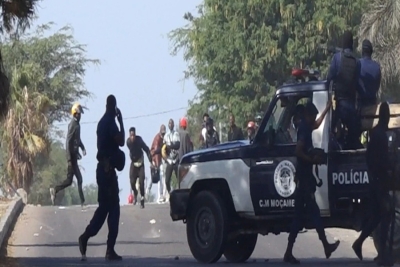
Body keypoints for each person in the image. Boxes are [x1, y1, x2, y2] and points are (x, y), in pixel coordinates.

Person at [284, 102, 340, 264]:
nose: (315, 119)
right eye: (313, 116)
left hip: (304, 178)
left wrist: (327, 109)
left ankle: (290, 252)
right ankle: (325, 246)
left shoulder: (307, 126)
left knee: (299, 217)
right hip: (304, 180)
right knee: (312, 214)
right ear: (307, 115)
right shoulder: (303, 130)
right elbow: (298, 151)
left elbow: (317, 124)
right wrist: (312, 160)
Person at [79, 95, 125, 261]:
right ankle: (108, 249)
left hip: (102, 170)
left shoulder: (100, 123)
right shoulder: (111, 123)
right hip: (107, 171)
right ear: (114, 108)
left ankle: (87, 236)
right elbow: (121, 142)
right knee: (113, 210)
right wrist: (121, 121)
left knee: (104, 209)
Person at [352, 102, 394, 266]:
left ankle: (360, 242)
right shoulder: (381, 135)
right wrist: (389, 166)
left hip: (374, 180)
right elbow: (382, 160)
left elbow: (369, 158)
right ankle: (383, 255)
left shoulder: (375, 133)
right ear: (386, 116)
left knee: (377, 217)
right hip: (380, 182)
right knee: (386, 215)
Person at [327, 31, 362, 150]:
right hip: (351, 106)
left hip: (340, 106)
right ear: (352, 44)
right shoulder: (357, 62)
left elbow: (330, 77)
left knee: (330, 133)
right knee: (353, 139)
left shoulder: (337, 58)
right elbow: (357, 83)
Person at [50, 103, 86, 206]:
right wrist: (69, 158)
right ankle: (82, 201)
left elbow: (77, 140)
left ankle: (56, 190)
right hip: (72, 158)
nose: (80, 116)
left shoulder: (77, 125)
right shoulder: (73, 125)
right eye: (79, 114)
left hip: (74, 156)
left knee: (72, 180)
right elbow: (68, 141)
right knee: (76, 179)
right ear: (75, 114)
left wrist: (82, 148)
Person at [126, 127, 152, 209]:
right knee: (132, 181)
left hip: (140, 163)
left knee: (141, 182)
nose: (132, 137)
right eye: (131, 136)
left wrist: (151, 160)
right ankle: (135, 192)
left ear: (135, 135)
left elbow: (146, 149)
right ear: (129, 136)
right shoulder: (128, 142)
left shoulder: (139, 140)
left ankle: (142, 200)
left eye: (133, 135)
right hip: (134, 163)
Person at [358, 39, 381, 109]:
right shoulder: (377, 67)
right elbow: (377, 86)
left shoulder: (358, 64)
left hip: (360, 105)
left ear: (362, 51)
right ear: (371, 52)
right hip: (373, 104)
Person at [147, 124, 167, 203]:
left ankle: (157, 193)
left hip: (159, 159)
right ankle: (158, 195)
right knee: (157, 176)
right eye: (162, 133)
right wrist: (156, 164)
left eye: (164, 133)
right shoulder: (158, 138)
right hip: (155, 159)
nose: (163, 134)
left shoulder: (163, 138)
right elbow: (156, 151)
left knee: (157, 176)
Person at [164, 119, 180, 200]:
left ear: (173, 125)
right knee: (167, 180)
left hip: (176, 159)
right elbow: (163, 148)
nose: (170, 125)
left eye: (172, 123)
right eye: (169, 123)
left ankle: (180, 193)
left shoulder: (176, 134)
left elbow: (178, 145)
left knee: (180, 178)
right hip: (169, 160)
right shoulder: (166, 136)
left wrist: (171, 146)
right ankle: (170, 192)